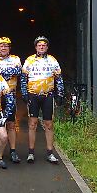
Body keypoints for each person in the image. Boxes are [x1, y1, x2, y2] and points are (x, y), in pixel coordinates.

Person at [20, 36, 64, 164]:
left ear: (47, 47)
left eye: (44, 45)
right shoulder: (29, 60)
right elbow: (23, 78)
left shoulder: (52, 60)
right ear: (36, 47)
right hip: (33, 95)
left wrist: (60, 94)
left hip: (47, 95)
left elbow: (59, 78)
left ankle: (50, 153)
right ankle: (31, 152)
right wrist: (24, 93)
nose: (41, 47)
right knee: (32, 123)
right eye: (39, 45)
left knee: (49, 124)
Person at [0, 36, 22, 163]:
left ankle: (13, 151)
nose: (3, 48)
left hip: (10, 95)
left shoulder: (15, 59)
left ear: (9, 48)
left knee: (10, 123)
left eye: (6, 46)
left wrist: (1, 74)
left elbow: (18, 70)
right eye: (1, 46)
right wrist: (8, 74)